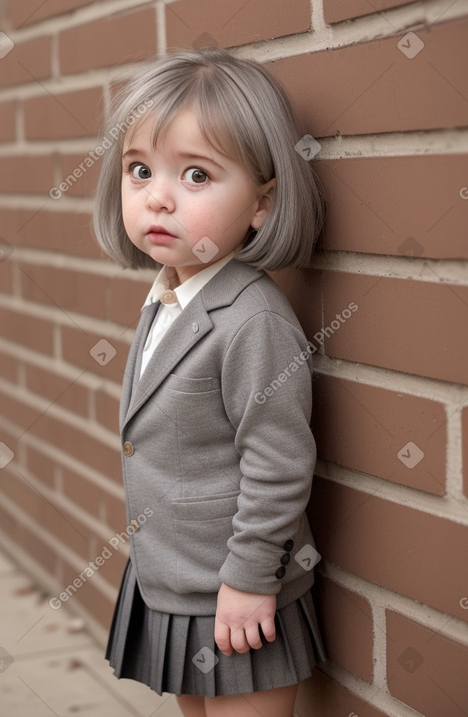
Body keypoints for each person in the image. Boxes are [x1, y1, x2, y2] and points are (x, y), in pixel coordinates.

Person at [93, 48, 326, 717]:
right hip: (176, 577)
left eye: (196, 173)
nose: (157, 195)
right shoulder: (169, 294)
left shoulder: (251, 320)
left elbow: (278, 460)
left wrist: (251, 579)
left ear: (262, 201)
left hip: (235, 588)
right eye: (140, 170)